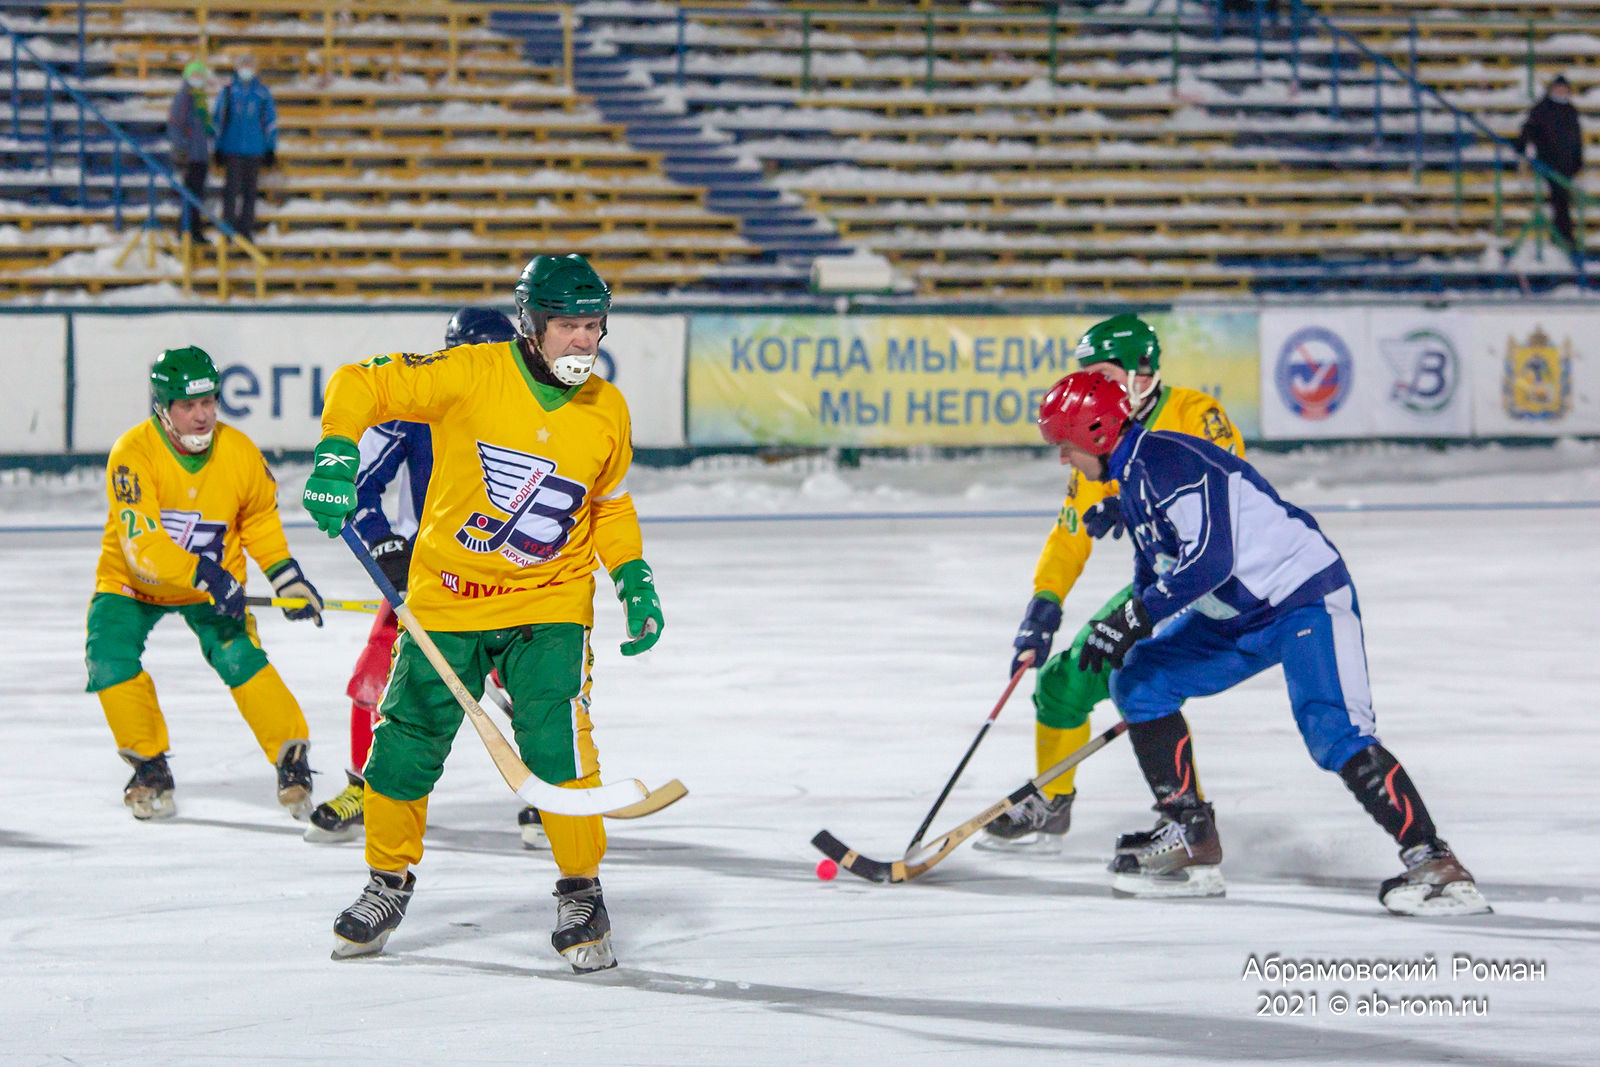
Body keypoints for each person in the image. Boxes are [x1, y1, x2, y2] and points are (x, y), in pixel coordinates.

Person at [302, 254, 665, 970]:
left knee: (557, 745)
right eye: (567, 326)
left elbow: (609, 501)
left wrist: (633, 575)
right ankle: (386, 881)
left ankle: (582, 890)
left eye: (594, 326)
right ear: (532, 325)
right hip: (448, 598)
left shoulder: (607, 408)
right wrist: (337, 452)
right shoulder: (470, 372)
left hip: (549, 602)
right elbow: (358, 381)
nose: (584, 341)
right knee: (404, 742)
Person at [1034, 370, 1490, 916]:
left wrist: (1132, 616)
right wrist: (1124, 623)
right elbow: (1155, 573)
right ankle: (1190, 836)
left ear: (1100, 432)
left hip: (1301, 600)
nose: (1063, 458)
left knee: (1333, 732)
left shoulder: (1166, 462)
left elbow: (1211, 561)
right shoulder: (1132, 480)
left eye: (1067, 445)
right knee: (1139, 679)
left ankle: (1434, 862)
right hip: (1235, 615)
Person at [982, 313, 1243, 850]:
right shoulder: (1093, 430)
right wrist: (1044, 605)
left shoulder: (1195, 414)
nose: (1093, 384)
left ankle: (1187, 823)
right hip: (1158, 585)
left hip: (1210, 584)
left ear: (1142, 370)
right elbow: (1070, 532)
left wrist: (1133, 503)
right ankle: (1053, 800)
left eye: (1103, 373)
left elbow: (1231, 499)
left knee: (1143, 685)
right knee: (1060, 685)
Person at [304, 307, 529, 845]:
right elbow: (361, 483)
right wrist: (385, 543)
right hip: (426, 573)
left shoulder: (529, 412)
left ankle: (552, 792)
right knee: (374, 677)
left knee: (534, 687)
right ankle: (365, 787)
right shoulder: (419, 407)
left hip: (507, 574)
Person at [86, 346, 325, 822]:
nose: (201, 415)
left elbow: (260, 522)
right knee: (107, 654)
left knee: (239, 656)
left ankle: (291, 758)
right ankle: (149, 765)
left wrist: (287, 579)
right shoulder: (132, 454)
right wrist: (206, 573)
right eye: (188, 405)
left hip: (212, 584)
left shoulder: (240, 453)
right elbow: (142, 546)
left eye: (208, 402)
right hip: (133, 583)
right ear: (163, 408)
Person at [1514, 75, 1584, 253]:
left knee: (1562, 200)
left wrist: (1578, 161)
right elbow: (1528, 129)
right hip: (1548, 161)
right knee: (1560, 200)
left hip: (1567, 164)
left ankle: (1562, 237)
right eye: (1558, 88)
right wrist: (1521, 147)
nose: (1561, 91)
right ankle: (1564, 238)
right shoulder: (1541, 108)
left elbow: (1577, 138)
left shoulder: (1571, 110)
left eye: (1564, 88)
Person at [213, 51, 277, 241]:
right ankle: (228, 228)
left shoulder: (262, 93)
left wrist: (270, 147)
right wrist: (217, 146)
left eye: (250, 66)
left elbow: (270, 122)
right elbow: (218, 120)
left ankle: (245, 229)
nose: (247, 69)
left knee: (250, 193)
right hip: (232, 148)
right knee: (231, 191)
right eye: (243, 66)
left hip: (255, 149)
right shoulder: (228, 92)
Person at [166, 59, 212, 239]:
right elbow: (175, 125)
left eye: (200, 75)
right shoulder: (184, 98)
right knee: (189, 195)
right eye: (194, 74)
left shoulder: (200, 98)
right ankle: (185, 230)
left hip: (200, 155)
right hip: (189, 156)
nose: (197, 78)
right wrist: (182, 148)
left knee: (197, 195)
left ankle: (194, 230)